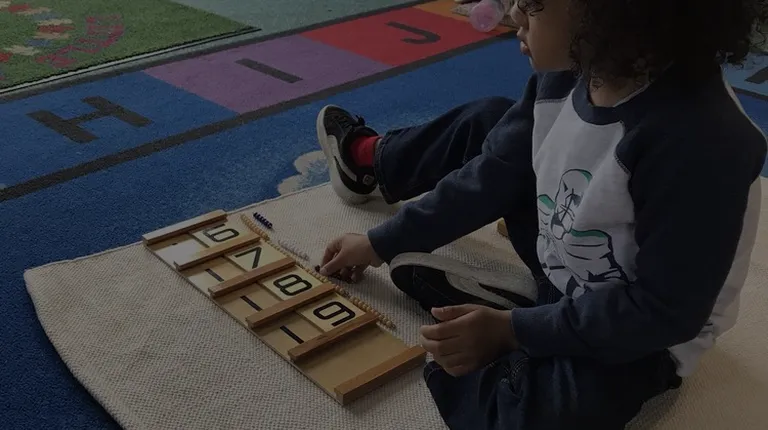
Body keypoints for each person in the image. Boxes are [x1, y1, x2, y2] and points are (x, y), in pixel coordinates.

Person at [315, 0, 767, 428]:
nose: (513, 14)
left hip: (642, 330)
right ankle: (369, 159)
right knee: (490, 123)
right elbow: (490, 177)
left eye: (532, 2)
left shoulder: (704, 144)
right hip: (562, 256)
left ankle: (518, 320)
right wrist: (379, 242)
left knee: (549, 414)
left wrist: (512, 332)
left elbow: (662, 312)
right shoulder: (567, 73)